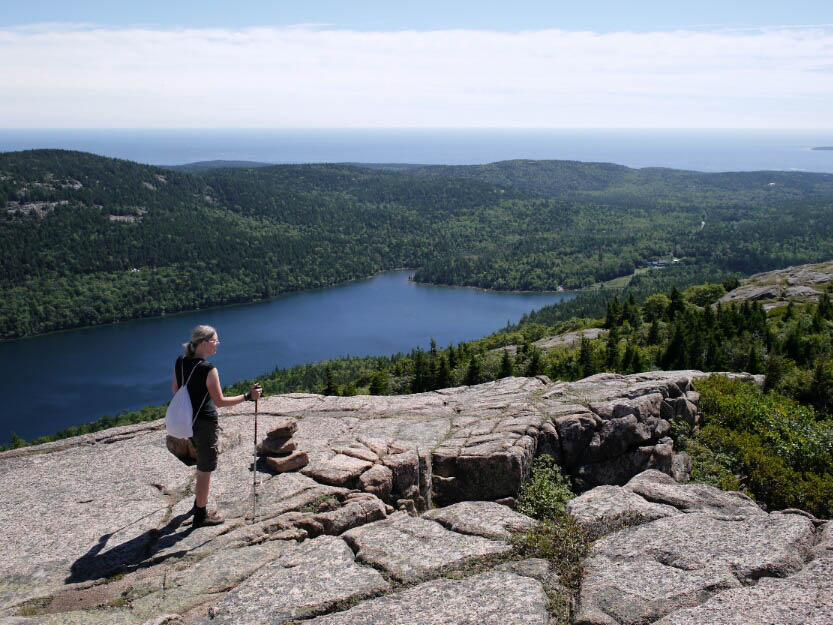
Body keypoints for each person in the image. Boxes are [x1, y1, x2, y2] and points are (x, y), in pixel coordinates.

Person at [173, 325, 261, 528]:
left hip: (187, 421)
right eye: (215, 340)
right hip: (204, 422)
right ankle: (201, 515)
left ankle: (198, 503)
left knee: (201, 462)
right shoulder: (208, 369)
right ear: (204, 343)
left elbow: (176, 389)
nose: (218, 343)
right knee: (205, 468)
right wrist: (248, 397)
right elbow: (220, 401)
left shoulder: (180, 362)